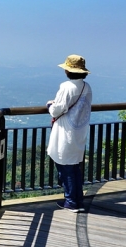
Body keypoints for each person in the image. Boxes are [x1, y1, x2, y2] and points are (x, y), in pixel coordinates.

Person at [46, 54, 92, 213]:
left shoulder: (66, 87)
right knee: (74, 167)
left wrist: (49, 106)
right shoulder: (86, 87)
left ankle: (72, 201)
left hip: (66, 133)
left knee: (65, 167)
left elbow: (56, 110)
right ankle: (77, 200)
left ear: (68, 71)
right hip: (79, 132)